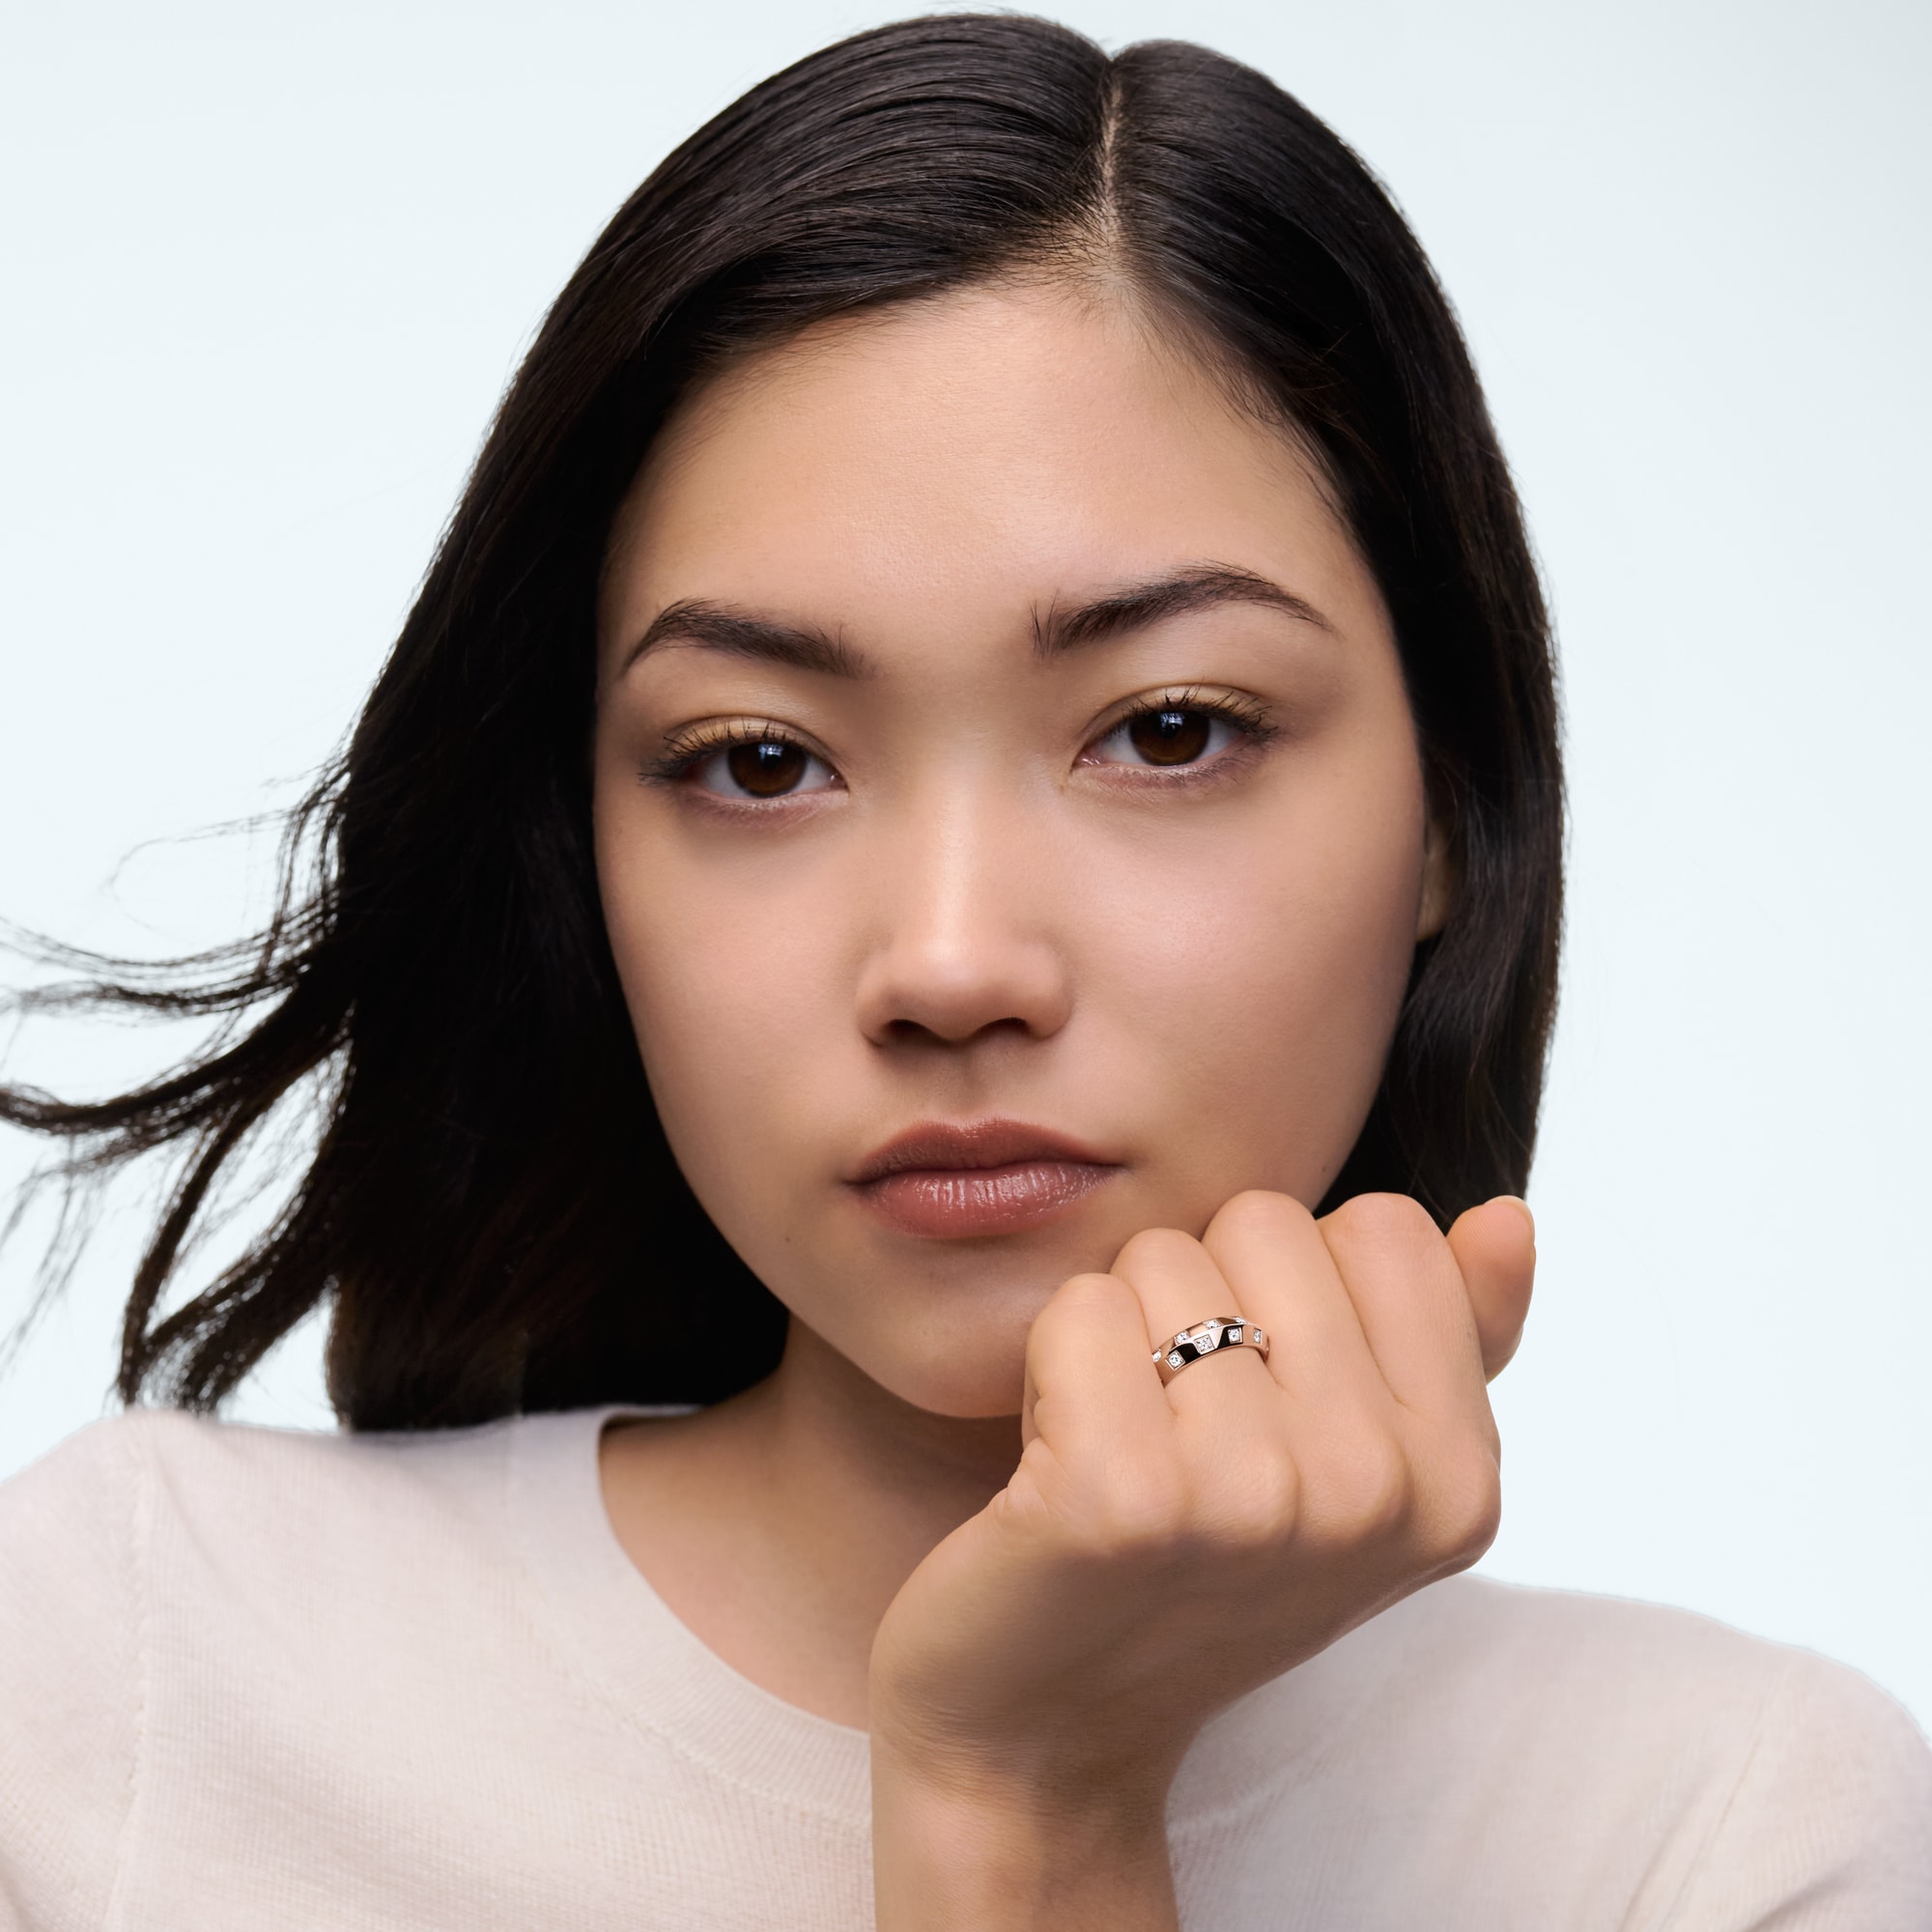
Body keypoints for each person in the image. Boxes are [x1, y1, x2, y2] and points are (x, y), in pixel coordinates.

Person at [0, 14, 1925, 1929]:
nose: (947, 964)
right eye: (760, 761)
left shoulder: (1720, 1835)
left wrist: (1031, 1805)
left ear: (1453, 817)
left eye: (1167, 730)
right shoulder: (127, 1660)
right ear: (582, 853)